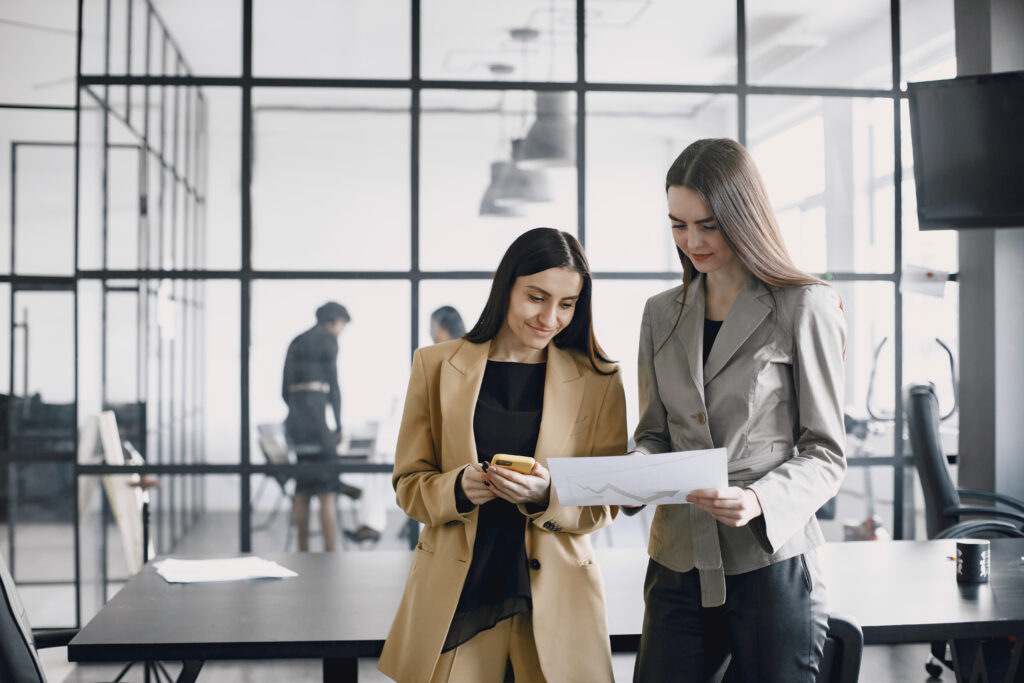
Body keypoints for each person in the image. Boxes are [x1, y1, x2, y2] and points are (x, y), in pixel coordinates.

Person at [631, 138, 847, 682]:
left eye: (707, 225)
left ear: (743, 217)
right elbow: (654, 434)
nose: (691, 241)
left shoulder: (805, 304)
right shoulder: (661, 314)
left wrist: (757, 499)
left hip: (770, 561)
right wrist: (632, 467)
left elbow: (826, 453)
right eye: (678, 224)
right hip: (677, 561)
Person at [378, 228, 627, 683]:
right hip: (460, 600)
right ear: (506, 286)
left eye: (567, 304)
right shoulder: (435, 366)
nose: (550, 318)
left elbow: (606, 501)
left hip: (556, 605)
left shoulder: (600, 379)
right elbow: (408, 486)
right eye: (537, 297)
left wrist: (548, 494)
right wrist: (457, 487)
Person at [282, 301, 358, 552]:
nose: (341, 331)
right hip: (317, 422)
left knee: (303, 486)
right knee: (328, 486)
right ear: (334, 321)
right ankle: (330, 550)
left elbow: (284, 388)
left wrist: (298, 409)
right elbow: (333, 386)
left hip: (296, 422)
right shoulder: (328, 340)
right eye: (342, 326)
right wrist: (337, 424)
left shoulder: (297, 340)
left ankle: (302, 547)